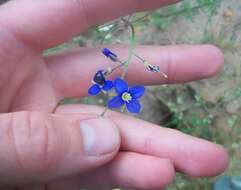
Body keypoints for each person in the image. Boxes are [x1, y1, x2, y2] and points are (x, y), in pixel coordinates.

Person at [0, 0, 228, 189]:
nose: (128, 98)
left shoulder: (124, 90)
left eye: (128, 97)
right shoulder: (118, 87)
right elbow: (114, 88)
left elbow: (126, 92)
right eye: (127, 97)